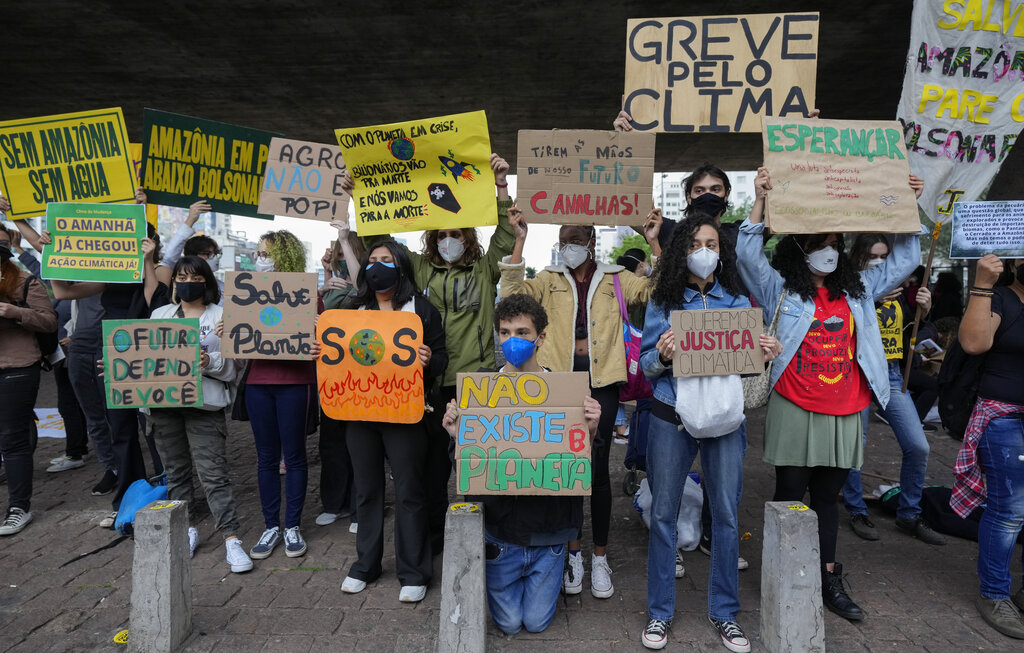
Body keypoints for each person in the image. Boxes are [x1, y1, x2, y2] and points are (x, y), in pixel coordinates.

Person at [735, 168, 923, 621]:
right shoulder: (780, 289)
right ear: (801, 250)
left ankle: (827, 580)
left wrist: (905, 202)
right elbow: (746, 254)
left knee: (826, 500)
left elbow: (905, 260)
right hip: (795, 405)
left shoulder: (860, 290)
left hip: (847, 409)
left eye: (836, 244)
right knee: (790, 494)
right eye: (821, 244)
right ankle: (784, 576)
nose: (830, 252)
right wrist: (759, 200)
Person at [343, 154, 514, 555]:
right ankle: (437, 540)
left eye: (455, 233)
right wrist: (361, 199)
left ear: (468, 237)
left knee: (480, 465)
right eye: (440, 235)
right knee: (434, 469)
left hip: (478, 379)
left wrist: (501, 186)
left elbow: (506, 238)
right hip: (432, 384)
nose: (448, 240)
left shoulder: (485, 268)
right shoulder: (419, 271)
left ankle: (487, 539)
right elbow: (380, 245)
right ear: (432, 241)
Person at [638, 215, 781, 651]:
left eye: (713, 243)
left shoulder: (739, 302)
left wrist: (765, 353)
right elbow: (645, 367)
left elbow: (746, 365)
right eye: (696, 243)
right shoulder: (664, 302)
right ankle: (659, 613)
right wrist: (662, 356)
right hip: (670, 415)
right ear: (682, 251)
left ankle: (725, 613)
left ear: (723, 251)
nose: (705, 251)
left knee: (725, 514)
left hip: (723, 420)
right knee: (663, 514)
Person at [499, 205, 654, 599]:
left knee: (597, 469)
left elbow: (655, 291)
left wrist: (653, 241)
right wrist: (519, 241)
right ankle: (572, 552)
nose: (568, 246)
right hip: (557, 383)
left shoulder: (616, 278)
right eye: (563, 240)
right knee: (565, 466)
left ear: (592, 241)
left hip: (601, 382)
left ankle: (599, 557)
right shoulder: (547, 278)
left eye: (575, 240)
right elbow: (510, 296)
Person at [441, 293, 600, 635]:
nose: (513, 340)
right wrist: (457, 435)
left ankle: (552, 572)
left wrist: (591, 429)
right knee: (511, 624)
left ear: (540, 338)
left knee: (537, 622)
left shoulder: (566, 394)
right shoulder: (480, 391)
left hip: (550, 534)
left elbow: (580, 469)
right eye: (505, 331)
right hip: (502, 535)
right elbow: (470, 472)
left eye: (523, 332)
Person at [339, 240, 447, 603]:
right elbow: (338, 356)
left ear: (401, 267)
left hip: (405, 413)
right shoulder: (353, 309)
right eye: (371, 261)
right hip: (360, 413)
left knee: (409, 491)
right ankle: (365, 564)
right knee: (367, 490)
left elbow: (443, 358)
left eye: (385, 260)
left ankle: (414, 570)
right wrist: (322, 352)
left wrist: (429, 359)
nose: (377, 266)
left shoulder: (422, 311)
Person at [145, 254, 252, 572]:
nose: (187, 283)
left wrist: (211, 363)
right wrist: (117, 369)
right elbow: (145, 358)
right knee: (176, 474)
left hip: (205, 407)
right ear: (174, 281)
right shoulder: (160, 314)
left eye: (195, 278)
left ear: (207, 282)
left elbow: (237, 368)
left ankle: (232, 540)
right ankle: (186, 531)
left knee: (214, 476)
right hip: (165, 407)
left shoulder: (224, 318)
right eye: (181, 277)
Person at [840, 234, 945, 545]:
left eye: (885, 257)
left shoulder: (900, 290)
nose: (879, 263)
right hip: (856, 373)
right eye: (872, 256)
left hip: (892, 375)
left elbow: (912, 331)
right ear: (858, 258)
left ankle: (909, 513)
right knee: (852, 448)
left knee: (918, 446)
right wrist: (870, 298)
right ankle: (857, 509)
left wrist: (923, 310)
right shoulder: (852, 287)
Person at [953, 254, 1024, 639]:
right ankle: (994, 593)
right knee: (1010, 511)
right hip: (1004, 420)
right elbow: (974, 343)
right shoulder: (1000, 299)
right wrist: (982, 283)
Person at [240, 230, 321, 560]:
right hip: (257, 384)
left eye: (266, 253)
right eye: (258, 254)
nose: (260, 259)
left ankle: (292, 526)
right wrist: (227, 330)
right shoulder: (244, 294)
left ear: (284, 257)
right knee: (266, 457)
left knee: (295, 454)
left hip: (294, 383)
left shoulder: (308, 294)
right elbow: (239, 340)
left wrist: (319, 332)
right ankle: (271, 524)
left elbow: (321, 341)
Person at [1, 220, 89, 474]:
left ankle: (78, 452)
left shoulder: (92, 279)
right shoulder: (45, 275)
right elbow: (42, 268)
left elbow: (47, 282)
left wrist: (17, 312)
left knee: (78, 405)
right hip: (61, 351)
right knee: (68, 403)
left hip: (76, 349)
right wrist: (19, 247)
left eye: (4, 245)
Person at [0, 225, 57, 535]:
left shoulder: (23, 281)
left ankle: (19, 507)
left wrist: (14, 312)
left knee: (13, 437)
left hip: (18, 366)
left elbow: (49, 321)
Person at [314, 229, 365, 532]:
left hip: (359, 370)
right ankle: (334, 503)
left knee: (360, 441)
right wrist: (324, 280)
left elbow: (363, 288)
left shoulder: (362, 282)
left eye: (344, 254)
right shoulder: (330, 286)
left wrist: (344, 242)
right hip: (331, 373)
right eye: (336, 255)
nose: (340, 260)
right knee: (331, 441)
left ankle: (361, 507)